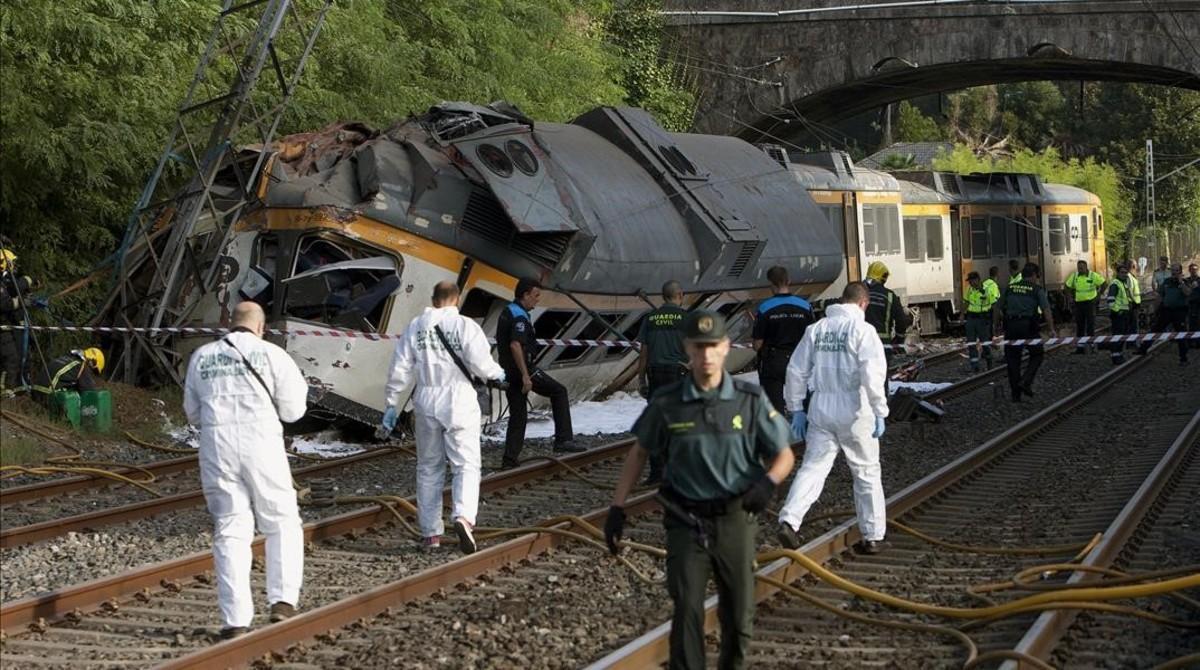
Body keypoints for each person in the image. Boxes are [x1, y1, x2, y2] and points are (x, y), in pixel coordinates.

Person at [605, 309, 793, 670]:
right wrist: (617, 509)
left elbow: (783, 454)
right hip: (685, 522)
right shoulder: (668, 402)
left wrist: (768, 483)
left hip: (736, 520)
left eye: (712, 346)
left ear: (725, 348)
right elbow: (639, 451)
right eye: (698, 347)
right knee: (688, 608)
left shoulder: (749, 400)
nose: (706, 355)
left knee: (738, 616)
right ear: (687, 349)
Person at [183, 302, 308, 639]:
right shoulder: (273, 355)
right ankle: (282, 601)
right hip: (261, 441)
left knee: (230, 526)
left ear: (229, 324)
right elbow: (295, 411)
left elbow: (192, 414)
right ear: (261, 327)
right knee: (281, 519)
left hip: (216, 445)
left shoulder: (202, 356)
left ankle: (235, 620)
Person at [379, 281, 506, 552]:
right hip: (458, 399)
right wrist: (497, 374)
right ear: (457, 299)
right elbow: (481, 363)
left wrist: (391, 403)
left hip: (425, 399)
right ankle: (462, 517)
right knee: (465, 465)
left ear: (432, 298)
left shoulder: (416, 326)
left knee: (428, 468)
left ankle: (431, 535)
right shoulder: (465, 326)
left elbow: (400, 367)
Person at [776, 282, 890, 555]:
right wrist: (880, 410)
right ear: (863, 304)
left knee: (813, 467)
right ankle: (872, 535)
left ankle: (789, 520)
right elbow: (872, 374)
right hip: (855, 409)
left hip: (821, 407)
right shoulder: (863, 331)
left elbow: (796, 371)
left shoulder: (816, 329)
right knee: (865, 472)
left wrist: (796, 408)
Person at [497, 278, 581, 468]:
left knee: (518, 416)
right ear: (525, 295)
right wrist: (526, 375)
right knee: (559, 391)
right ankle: (563, 440)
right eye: (535, 296)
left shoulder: (508, 310)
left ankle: (509, 461)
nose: (537, 300)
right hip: (522, 370)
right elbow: (515, 344)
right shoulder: (519, 316)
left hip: (509, 371)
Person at [634, 280, 688, 484]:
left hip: (655, 374)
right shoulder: (686, 318)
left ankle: (657, 473)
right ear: (680, 295)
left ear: (663, 296)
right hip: (678, 374)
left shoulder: (651, 318)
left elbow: (644, 352)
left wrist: (640, 378)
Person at [752, 266, 815, 415]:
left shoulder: (765, 308)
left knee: (774, 409)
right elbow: (812, 337)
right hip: (800, 361)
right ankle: (805, 434)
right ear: (789, 281)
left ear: (771, 284)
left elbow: (757, 344)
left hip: (773, 363)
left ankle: (778, 435)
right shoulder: (805, 306)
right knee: (804, 404)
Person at [995, 263, 1055, 402]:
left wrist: (995, 325)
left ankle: (1015, 395)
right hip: (1028, 326)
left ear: (1022, 275)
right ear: (1034, 276)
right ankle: (1026, 381)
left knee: (1012, 359)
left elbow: (997, 307)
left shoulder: (1009, 288)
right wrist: (1051, 329)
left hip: (1010, 326)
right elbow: (1046, 310)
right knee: (1037, 354)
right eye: (1037, 276)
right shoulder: (1036, 290)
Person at [0, 246, 35, 391]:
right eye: (11, 262)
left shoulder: (4, 281)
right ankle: (6, 392)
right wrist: (22, 302)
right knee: (11, 359)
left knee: (14, 358)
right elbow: (4, 304)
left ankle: (11, 390)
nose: (14, 266)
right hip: (2, 327)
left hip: (6, 326)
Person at [1141, 264, 1191, 365]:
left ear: (1180, 272)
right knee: (1155, 329)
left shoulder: (1185, 282)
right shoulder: (1167, 282)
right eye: (1172, 270)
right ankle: (1143, 349)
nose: (1174, 272)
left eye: (1176, 270)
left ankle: (1183, 358)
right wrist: (1154, 309)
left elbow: (1188, 293)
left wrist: (1181, 282)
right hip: (1166, 311)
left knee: (1181, 334)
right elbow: (1160, 296)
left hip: (1179, 312)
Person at [863, 261, 911, 365]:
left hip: (862, 343)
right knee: (881, 376)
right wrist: (899, 338)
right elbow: (901, 320)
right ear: (883, 277)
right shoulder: (889, 296)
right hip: (882, 344)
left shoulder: (859, 293)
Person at [30, 348, 104, 401]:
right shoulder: (81, 366)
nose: (91, 373)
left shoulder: (67, 357)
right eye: (94, 371)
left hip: (34, 390)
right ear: (92, 362)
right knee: (75, 397)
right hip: (48, 394)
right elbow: (90, 393)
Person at [1064, 259, 1106, 354]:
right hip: (1079, 304)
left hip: (1090, 304)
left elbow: (1104, 284)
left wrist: (1098, 296)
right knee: (1080, 326)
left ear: (1086, 267)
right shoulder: (1074, 276)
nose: (1080, 270)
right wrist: (1070, 298)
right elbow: (1067, 287)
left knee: (1090, 325)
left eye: (1082, 268)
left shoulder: (1093, 275)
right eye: (1079, 268)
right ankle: (1080, 348)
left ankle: (1091, 347)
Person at [1105, 262, 1141, 365]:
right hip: (1119, 315)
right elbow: (1110, 300)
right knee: (1118, 335)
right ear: (1118, 273)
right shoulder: (1115, 284)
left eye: (1125, 273)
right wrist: (1118, 311)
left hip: (1125, 313)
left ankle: (1119, 354)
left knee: (1122, 335)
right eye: (1122, 272)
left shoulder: (1124, 283)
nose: (1124, 274)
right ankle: (1115, 356)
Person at [962, 272, 996, 372]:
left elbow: (993, 304)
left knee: (985, 342)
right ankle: (975, 365)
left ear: (977, 279)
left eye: (971, 281)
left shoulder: (986, 290)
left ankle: (989, 361)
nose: (970, 283)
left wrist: (993, 321)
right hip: (971, 318)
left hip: (982, 319)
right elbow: (966, 302)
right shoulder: (969, 289)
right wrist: (962, 314)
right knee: (971, 342)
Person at [1186, 263, 1200, 351]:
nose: (1193, 271)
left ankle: (1198, 342)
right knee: (1190, 324)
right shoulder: (1186, 280)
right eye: (1192, 269)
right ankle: (1190, 342)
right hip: (1189, 304)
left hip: (1198, 304)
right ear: (1189, 270)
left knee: (1198, 324)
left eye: (1195, 269)